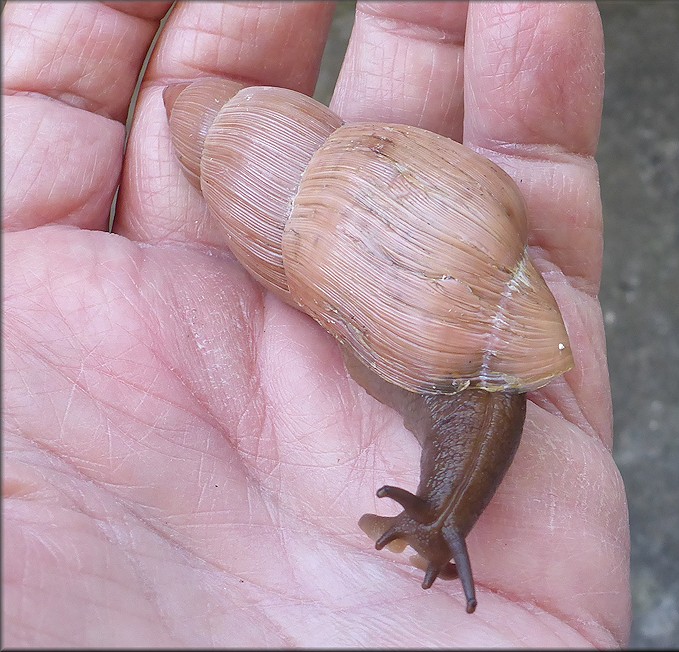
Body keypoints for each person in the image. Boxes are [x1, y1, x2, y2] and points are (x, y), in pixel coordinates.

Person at [2, 1, 630, 646]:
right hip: (308, 195)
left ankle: (441, 515)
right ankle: (440, 517)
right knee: (474, 389)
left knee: (477, 387)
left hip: (363, 209)